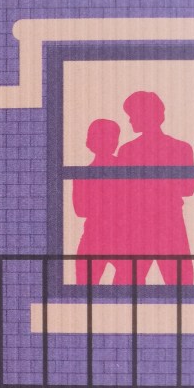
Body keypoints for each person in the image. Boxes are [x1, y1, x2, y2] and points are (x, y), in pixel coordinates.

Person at [112, 91, 194, 285]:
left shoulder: (129, 150)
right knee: (128, 283)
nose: (130, 120)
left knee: (180, 283)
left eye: (132, 115)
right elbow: (186, 188)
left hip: (161, 223)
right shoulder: (180, 148)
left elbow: (189, 189)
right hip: (152, 222)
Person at [73, 119, 122, 285]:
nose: (111, 142)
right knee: (84, 287)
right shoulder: (82, 174)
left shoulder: (126, 169)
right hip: (94, 236)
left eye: (113, 137)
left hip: (119, 237)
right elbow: (80, 210)